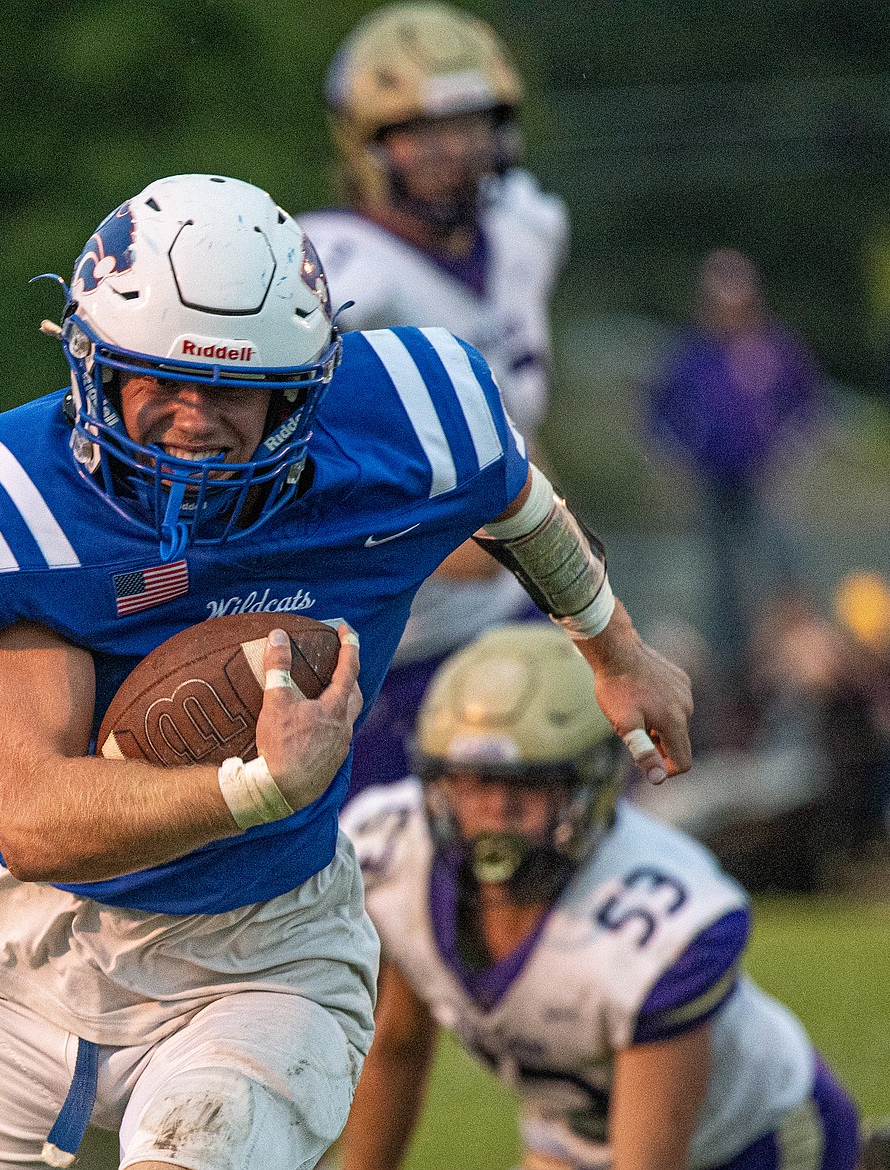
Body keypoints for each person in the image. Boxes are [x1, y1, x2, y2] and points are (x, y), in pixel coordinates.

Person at [0, 173, 692, 1170]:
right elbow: (33, 819)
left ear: (304, 386)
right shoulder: (19, 506)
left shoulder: (407, 420)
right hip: (48, 956)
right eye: (160, 382)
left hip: (268, 953)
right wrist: (261, 784)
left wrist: (612, 643)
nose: (194, 419)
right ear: (92, 369)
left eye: (231, 388)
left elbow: (512, 493)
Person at [338, 621, 863, 1170]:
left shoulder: (658, 918)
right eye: (475, 781)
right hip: (574, 1127)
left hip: (747, 1141)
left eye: (527, 784)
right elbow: (395, 1049)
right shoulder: (391, 853)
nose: (497, 810)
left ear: (592, 784)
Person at [299, 2, 570, 798]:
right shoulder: (340, 271)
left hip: (507, 617)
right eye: (424, 131)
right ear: (369, 143)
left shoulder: (527, 231)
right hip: (381, 647)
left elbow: (512, 430)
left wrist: (566, 578)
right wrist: (453, 535)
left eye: (472, 125)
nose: (455, 153)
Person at [647, 247, 821, 680]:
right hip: (712, 480)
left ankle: (784, 662)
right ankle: (732, 671)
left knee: (781, 569)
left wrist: (792, 447)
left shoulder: (774, 349)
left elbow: (809, 405)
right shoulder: (691, 355)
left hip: (763, 479)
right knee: (721, 579)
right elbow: (657, 412)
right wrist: (678, 456)